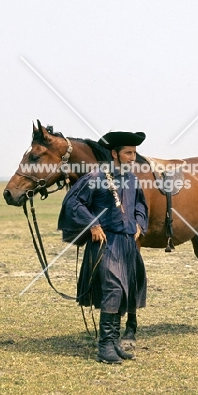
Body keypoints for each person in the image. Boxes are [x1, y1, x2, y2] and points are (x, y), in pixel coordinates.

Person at [58, 131, 148, 364]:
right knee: (114, 289)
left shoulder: (132, 179)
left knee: (125, 291)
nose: (132, 157)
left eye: (135, 153)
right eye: (128, 153)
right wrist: (92, 224)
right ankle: (104, 346)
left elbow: (140, 203)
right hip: (107, 244)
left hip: (128, 242)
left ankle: (115, 343)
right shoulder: (96, 176)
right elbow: (73, 203)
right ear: (114, 153)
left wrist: (139, 223)